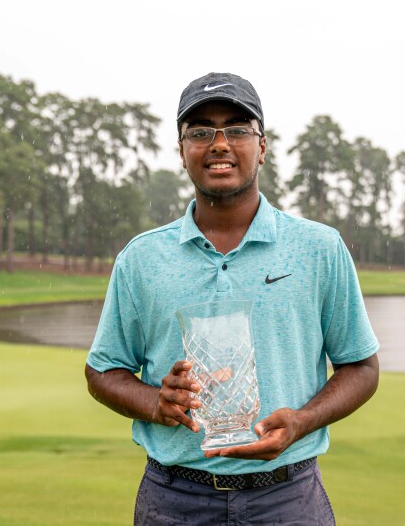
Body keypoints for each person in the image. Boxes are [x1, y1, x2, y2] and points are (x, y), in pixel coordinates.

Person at [85, 72, 380, 525]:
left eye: (237, 129)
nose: (219, 143)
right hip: (174, 497)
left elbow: (361, 367)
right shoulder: (141, 258)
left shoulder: (319, 248)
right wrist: (155, 403)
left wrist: (301, 421)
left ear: (262, 146)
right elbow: (103, 371)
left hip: (288, 497)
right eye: (200, 131)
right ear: (182, 151)